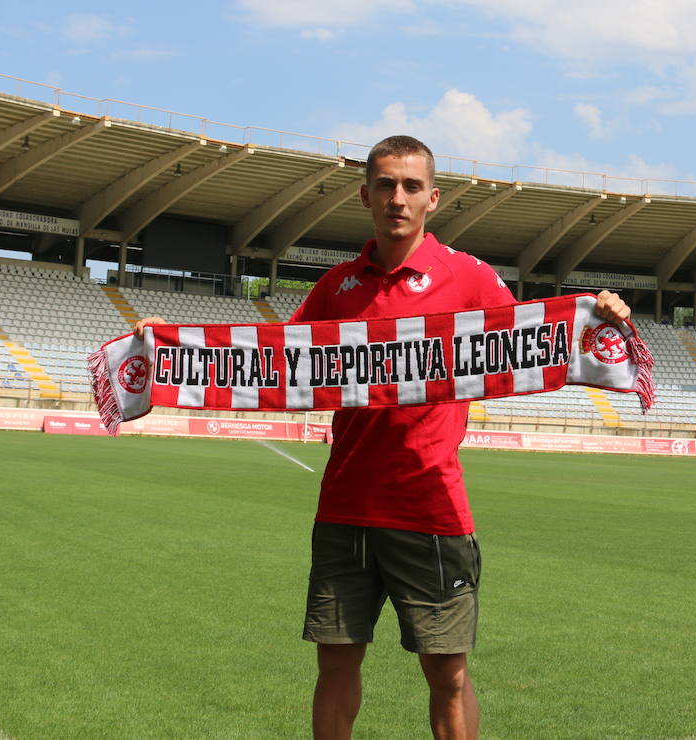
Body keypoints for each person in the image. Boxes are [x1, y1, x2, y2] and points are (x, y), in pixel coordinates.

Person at [136, 135, 631, 739]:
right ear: (365, 194)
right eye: (387, 185)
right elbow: (271, 364)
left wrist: (594, 318)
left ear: (432, 199)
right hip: (345, 508)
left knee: (447, 674)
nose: (398, 197)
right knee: (335, 664)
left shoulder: (470, 277)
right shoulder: (336, 287)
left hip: (431, 509)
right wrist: (175, 346)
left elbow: (530, 339)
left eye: (411, 186)